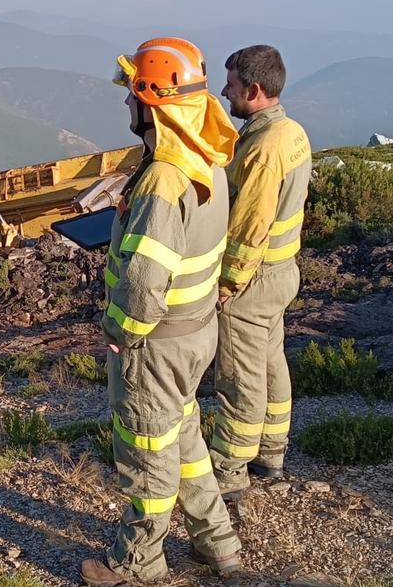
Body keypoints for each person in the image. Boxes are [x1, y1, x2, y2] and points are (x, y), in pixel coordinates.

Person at [81, 38, 243, 586]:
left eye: (132, 95)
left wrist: (121, 332)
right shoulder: (207, 158)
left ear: (151, 102)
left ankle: (136, 565)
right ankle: (216, 543)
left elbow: (147, 278)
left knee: (148, 453)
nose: (126, 104)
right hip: (196, 332)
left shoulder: (162, 179)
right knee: (184, 437)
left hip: (155, 344)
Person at [209, 45, 312, 500]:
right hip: (282, 271)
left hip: (253, 280)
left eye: (230, 85)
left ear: (252, 90)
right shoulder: (292, 132)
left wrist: (227, 285)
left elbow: (249, 227)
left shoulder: (262, 149)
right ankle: (272, 454)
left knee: (240, 376)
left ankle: (230, 469)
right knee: (271, 364)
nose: (223, 92)